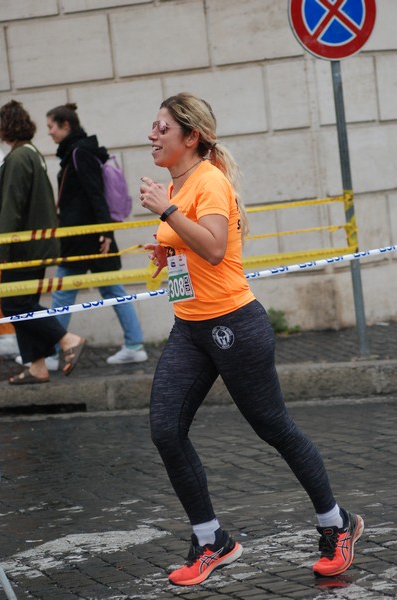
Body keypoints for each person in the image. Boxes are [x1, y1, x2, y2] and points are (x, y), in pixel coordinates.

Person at [139, 92, 364, 586]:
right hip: (190, 327)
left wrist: (167, 211)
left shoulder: (208, 182)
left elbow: (217, 249)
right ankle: (211, 540)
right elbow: (196, 247)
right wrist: (167, 251)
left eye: (162, 128)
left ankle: (337, 523)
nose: (151, 135)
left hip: (234, 326)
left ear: (190, 136)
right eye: (152, 127)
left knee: (273, 427)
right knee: (165, 429)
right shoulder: (184, 182)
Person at [45, 103, 147, 367]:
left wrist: (104, 233)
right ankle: (134, 345)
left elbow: (95, 194)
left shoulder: (79, 153)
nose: (50, 133)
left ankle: (53, 353)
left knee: (65, 293)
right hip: (90, 235)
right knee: (111, 289)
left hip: (86, 237)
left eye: (51, 127)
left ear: (66, 126)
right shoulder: (77, 152)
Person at [0, 100, 85, 384]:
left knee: (14, 304)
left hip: (22, 248)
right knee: (23, 303)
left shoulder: (17, 158)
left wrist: (2, 249)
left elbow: (11, 209)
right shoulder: (31, 153)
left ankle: (67, 339)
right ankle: (37, 366)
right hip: (35, 245)